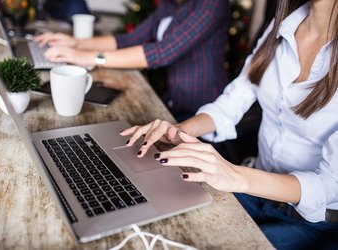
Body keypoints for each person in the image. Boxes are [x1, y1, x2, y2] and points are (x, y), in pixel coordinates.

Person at [120, 0, 338, 249]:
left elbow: (331, 184)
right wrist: (179, 130)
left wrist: (235, 175)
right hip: (255, 195)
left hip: (313, 223)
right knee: (161, 221)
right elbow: (234, 100)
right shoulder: (282, 26)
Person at [35, 0, 230, 121]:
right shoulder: (170, 5)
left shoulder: (212, 4)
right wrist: (76, 42)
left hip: (202, 109)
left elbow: (162, 52)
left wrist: (90, 57)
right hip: (172, 100)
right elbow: (128, 39)